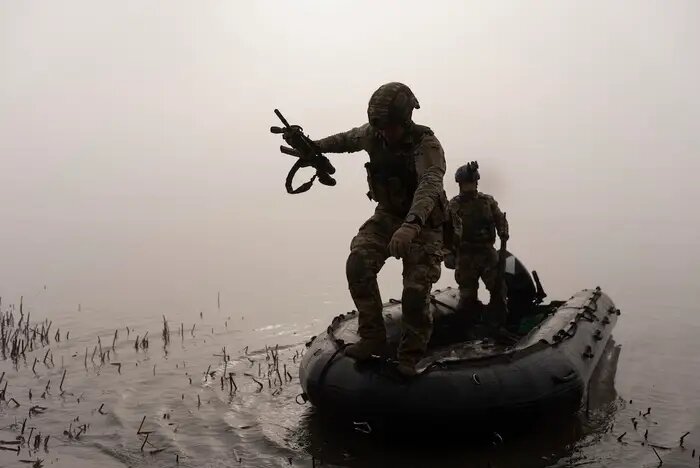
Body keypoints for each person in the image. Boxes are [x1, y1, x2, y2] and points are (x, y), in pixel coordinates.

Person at [290, 82, 448, 376]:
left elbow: (429, 186)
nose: (385, 134)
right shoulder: (374, 134)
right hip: (388, 215)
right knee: (358, 262)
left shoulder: (426, 145)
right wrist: (315, 146)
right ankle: (372, 336)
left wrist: (410, 227)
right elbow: (346, 139)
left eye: (391, 127)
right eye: (381, 128)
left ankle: (410, 356)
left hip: (425, 223)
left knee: (415, 291)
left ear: (405, 121)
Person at [447, 161, 509, 326]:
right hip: (465, 255)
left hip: (487, 253)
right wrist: (447, 253)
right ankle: (467, 329)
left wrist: (503, 232)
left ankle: (500, 325)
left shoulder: (487, 201)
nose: (468, 187)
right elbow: (445, 229)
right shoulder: (454, 205)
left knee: (497, 290)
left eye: (471, 183)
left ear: (476, 183)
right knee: (467, 296)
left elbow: (499, 219)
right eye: (465, 184)